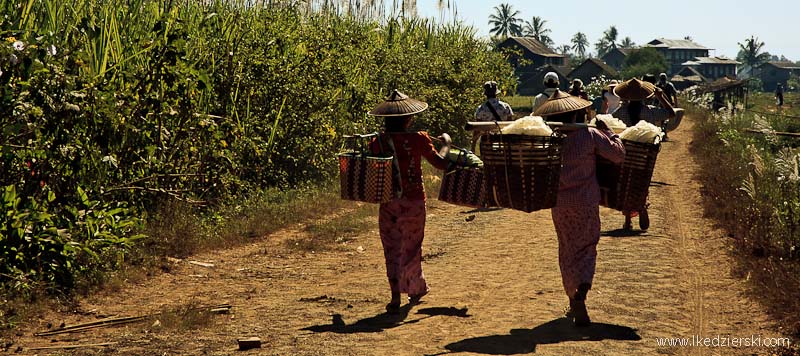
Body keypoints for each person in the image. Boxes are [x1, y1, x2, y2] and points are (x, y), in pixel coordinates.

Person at [533, 90, 626, 327]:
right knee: (586, 247)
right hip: (585, 203)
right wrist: (610, 134)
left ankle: (572, 295)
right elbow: (617, 155)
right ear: (579, 113)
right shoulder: (590, 135)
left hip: (560, 204)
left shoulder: (551, 137)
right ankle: (581, 292)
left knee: (567, 250)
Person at [367, 89, 451, 314]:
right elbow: (441, 163)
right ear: (408, 118)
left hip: (388, 202)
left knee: (391, 247)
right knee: (412, 247)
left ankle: (395, 296)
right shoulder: (418, 139)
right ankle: (414, 288)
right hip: (413, 201)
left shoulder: (377, 141)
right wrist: (447, 143)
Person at [612, 78, 676, 230]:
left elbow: (609, 123)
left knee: (625, 183)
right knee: (642, 181)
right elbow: (671, 113)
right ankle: (641, 207)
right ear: (643, 96)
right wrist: (661, 97)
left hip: (625, 153)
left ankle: (628, 219)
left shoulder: (620, 112)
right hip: (644, 156)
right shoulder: (650, 111)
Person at [473, 81, 514, 149]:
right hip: (503, 141)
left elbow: (477, 129)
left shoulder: (481, 108)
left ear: (486, 94)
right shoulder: (506, 107)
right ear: (496, 93)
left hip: (486, 142)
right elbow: (510, 125)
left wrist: (473, 144)